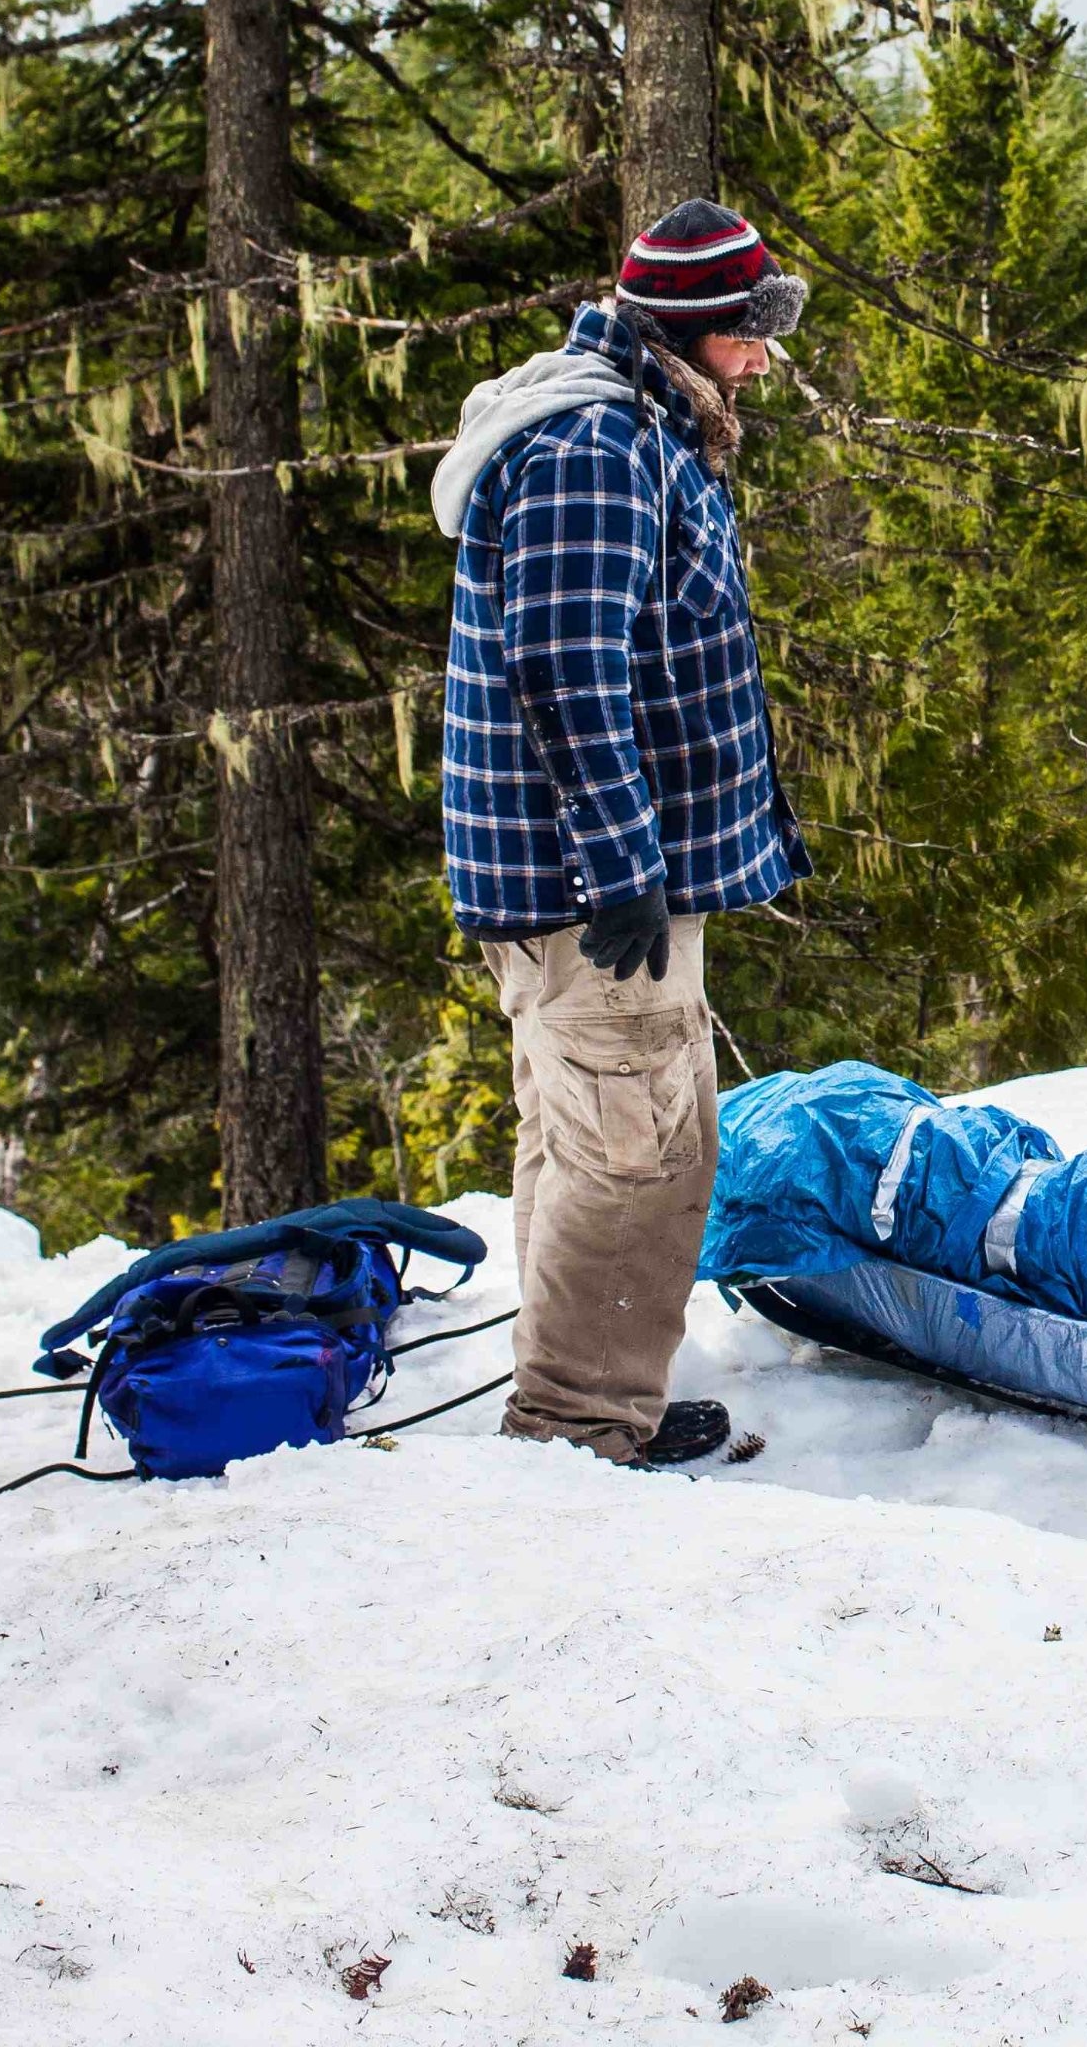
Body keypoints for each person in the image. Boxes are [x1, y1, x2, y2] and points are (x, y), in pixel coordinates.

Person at [432, 198, 809, 1468]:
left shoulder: (638, 423)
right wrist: (624, 867)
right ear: (685, 331)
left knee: (583, 1133)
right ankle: (581, 1433)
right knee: (639, 1154)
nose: (761, 358)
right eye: (746, 332)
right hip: (592, 888)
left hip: (593, 874)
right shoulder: (595, 445)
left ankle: (578, 1401)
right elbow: (566, 670)